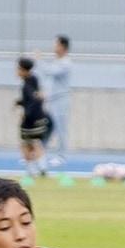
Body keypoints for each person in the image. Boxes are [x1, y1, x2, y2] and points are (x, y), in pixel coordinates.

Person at [15, 57, 51, 176]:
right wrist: (20, 102)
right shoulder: (34, 79)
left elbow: (34, 99)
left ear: (24, 70)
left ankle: (33, 170)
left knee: (27, 143)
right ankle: (41, 167)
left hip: (32, 119)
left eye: (18, 68)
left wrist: (26, 113)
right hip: (39, 117)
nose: (17, 71)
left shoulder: (27, 85)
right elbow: (36, 97)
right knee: (35, 142)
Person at [42, 34, 71, 167]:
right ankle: (39, 154)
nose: (54, 47)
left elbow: (50, 72)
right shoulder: (56, 61)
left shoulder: (66, 62)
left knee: (60, 128)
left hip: (61, 100)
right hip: (51, 100)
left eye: (56, 44)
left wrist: (38, 60)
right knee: (47, 127)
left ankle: (61, 156)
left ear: (63, 46)